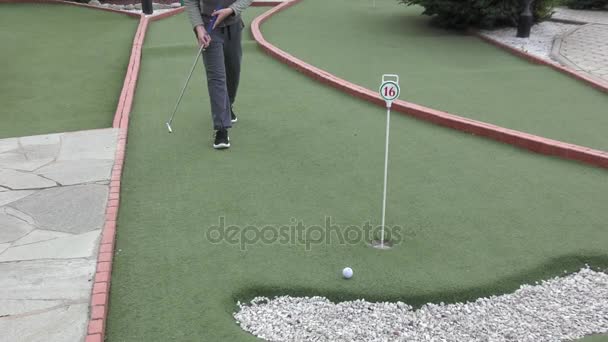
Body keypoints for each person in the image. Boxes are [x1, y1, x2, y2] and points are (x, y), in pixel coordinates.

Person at [184, 0, 253, 149]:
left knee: (233, 72)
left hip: (233, 27)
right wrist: (198, 27)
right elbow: (190, 2)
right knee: (216, 78)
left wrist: (231, 10)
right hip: (209, 28)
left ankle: (229, 105)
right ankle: (221, 129)